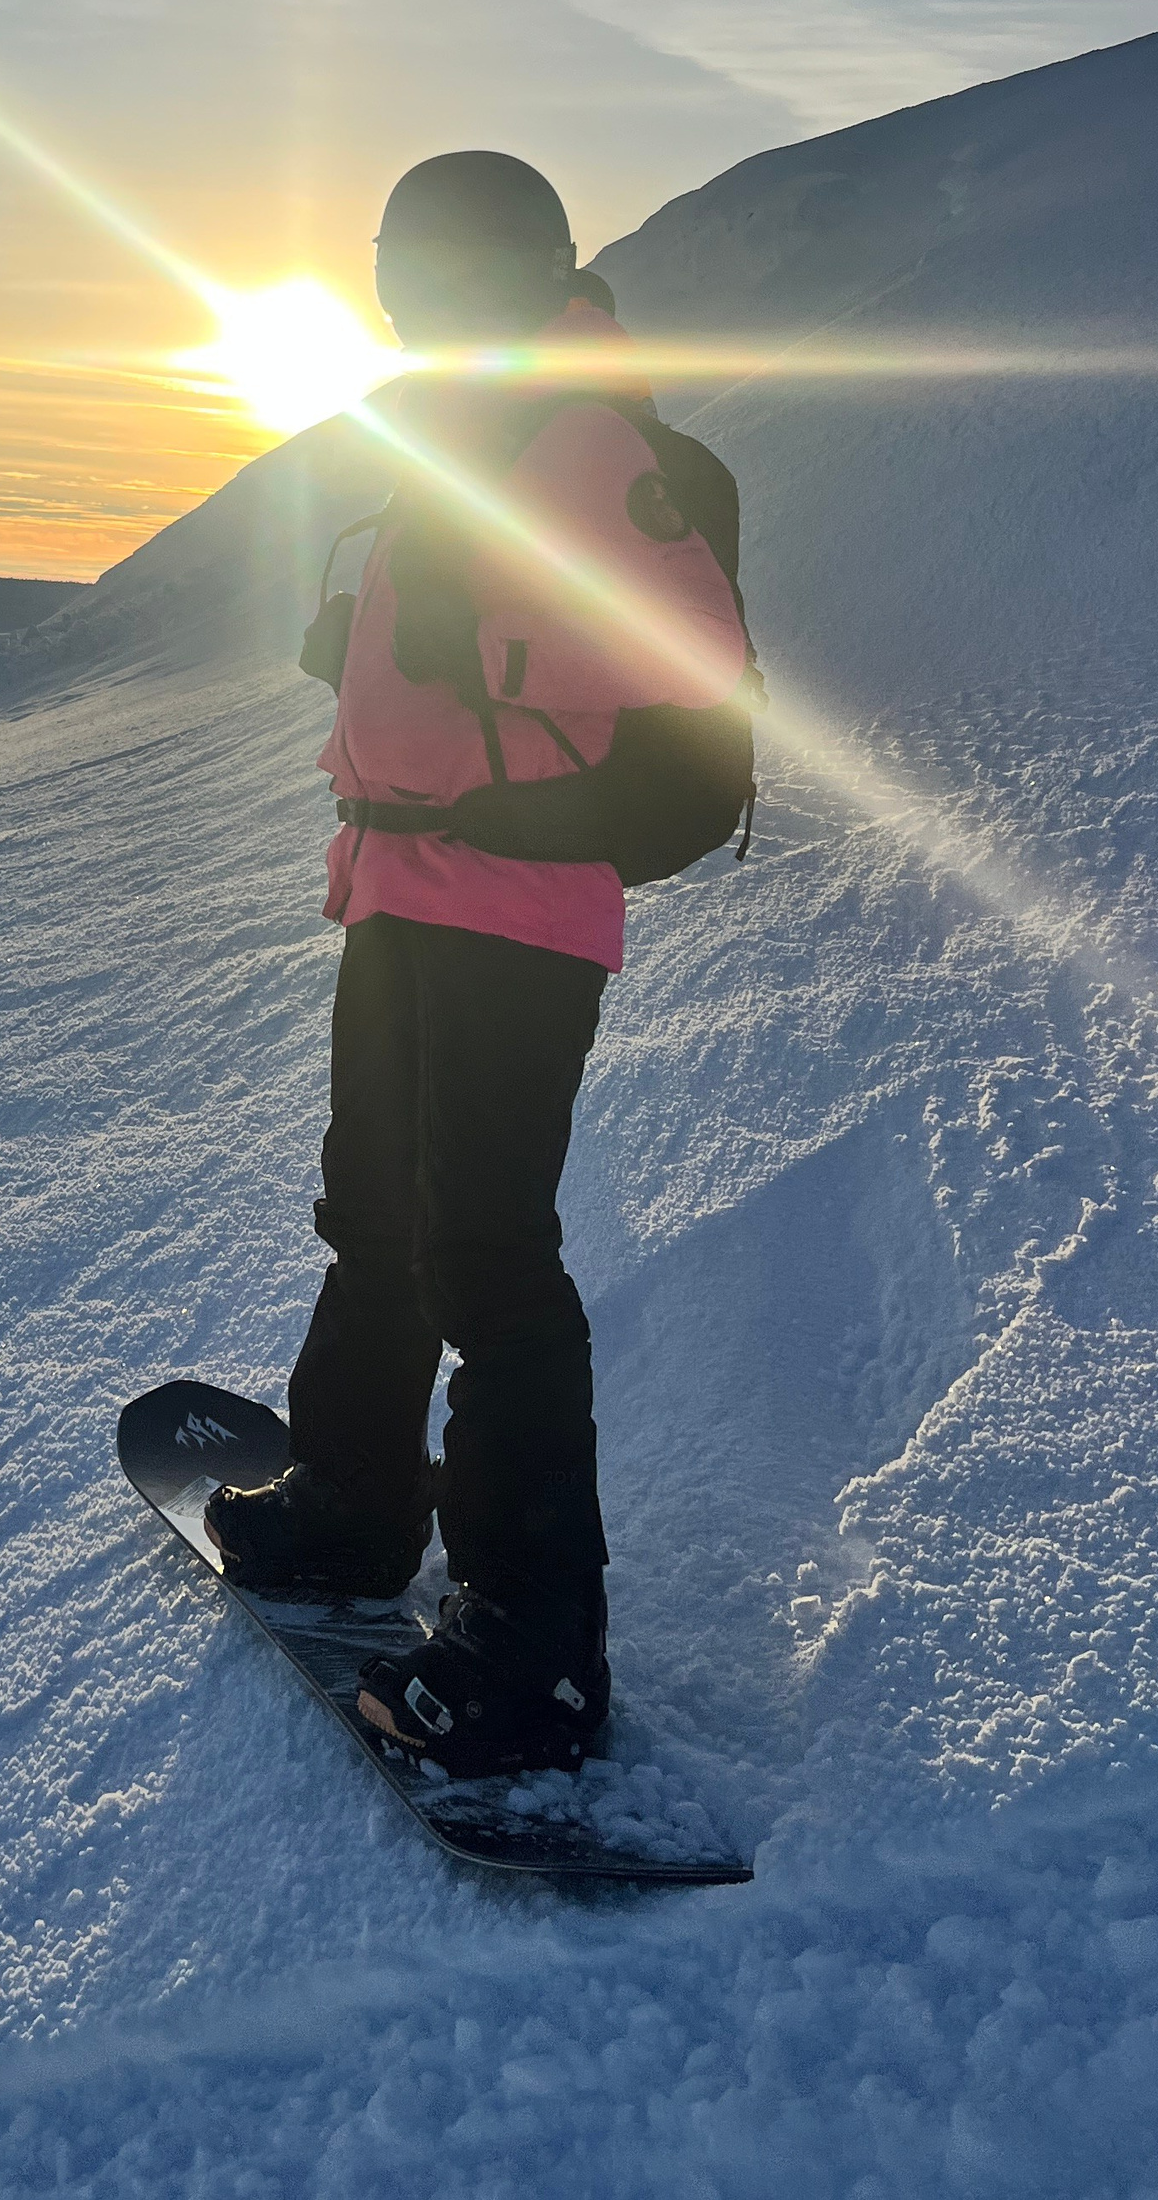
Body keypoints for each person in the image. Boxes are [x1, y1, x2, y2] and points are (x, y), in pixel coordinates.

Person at [203, 150, 748, 1779]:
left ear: (529, 265)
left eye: (447, 266)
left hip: (511, 903)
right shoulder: (452, 417)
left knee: (486, 1254)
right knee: (373, 1208)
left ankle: (535, 1652)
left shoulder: (578, 438)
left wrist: (532, 799)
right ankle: (362, 1506)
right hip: (395, 882)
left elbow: (693, 684)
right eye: (402, 266)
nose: (418, 294)